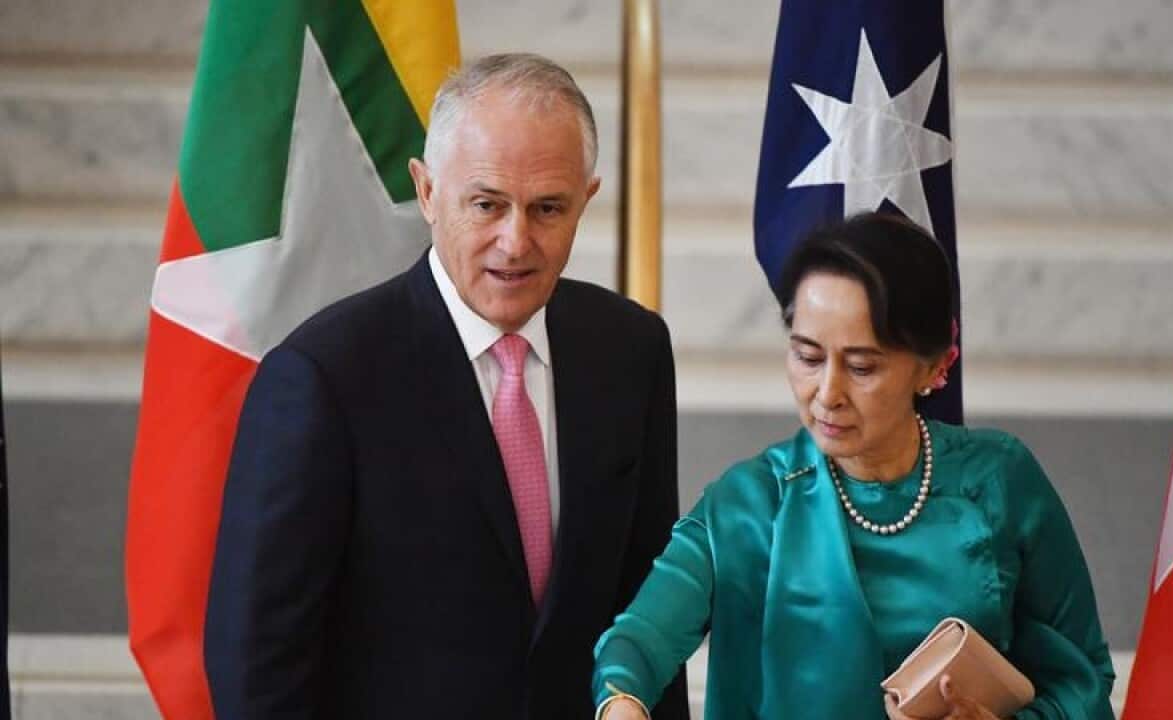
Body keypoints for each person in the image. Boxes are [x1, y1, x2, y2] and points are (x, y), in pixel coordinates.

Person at [204, 53, 689, 719]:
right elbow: (257, 667)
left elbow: (648, 619)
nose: (515, 242)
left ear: (587, 198)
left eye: (548, 208)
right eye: (487, 204)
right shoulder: (324, 378)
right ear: (428, 191)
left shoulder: (632, 351)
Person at [592, 212, 1114, 720]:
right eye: (808, 357)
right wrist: (622, 702)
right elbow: (641, 639)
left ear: (935, 366)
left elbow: (1082, 682)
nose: (828, 393)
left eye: (862, 367)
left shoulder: (1000, 480)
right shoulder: (750, 502)